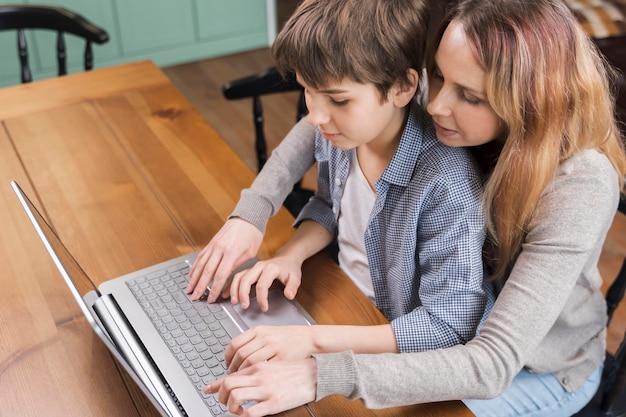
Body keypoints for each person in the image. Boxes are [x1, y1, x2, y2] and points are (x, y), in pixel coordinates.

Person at [198, 0, 626, 416]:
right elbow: (322, 122)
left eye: (470, 97)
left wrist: (318, 369)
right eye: (436, 76)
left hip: (534, 366)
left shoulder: (579, 185)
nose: (434, 103)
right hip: (454, 322)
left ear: (530, 100)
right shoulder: (439, 94)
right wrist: (253, 212)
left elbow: (491, 364)